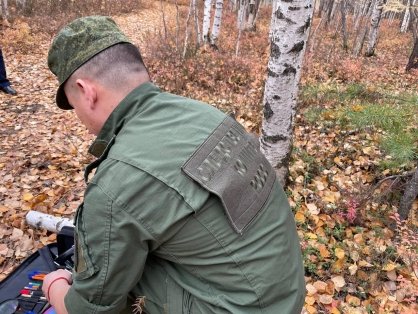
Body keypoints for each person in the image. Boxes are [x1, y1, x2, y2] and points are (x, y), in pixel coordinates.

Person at [42, 16, 306, 314]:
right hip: (284, 292)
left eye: (74, 105)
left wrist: (56, 286)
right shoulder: (203, 114)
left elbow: (89, 311)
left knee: (112, 278)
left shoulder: (116, 183)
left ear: (86, 91)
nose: (80, 117)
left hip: (243, 306)